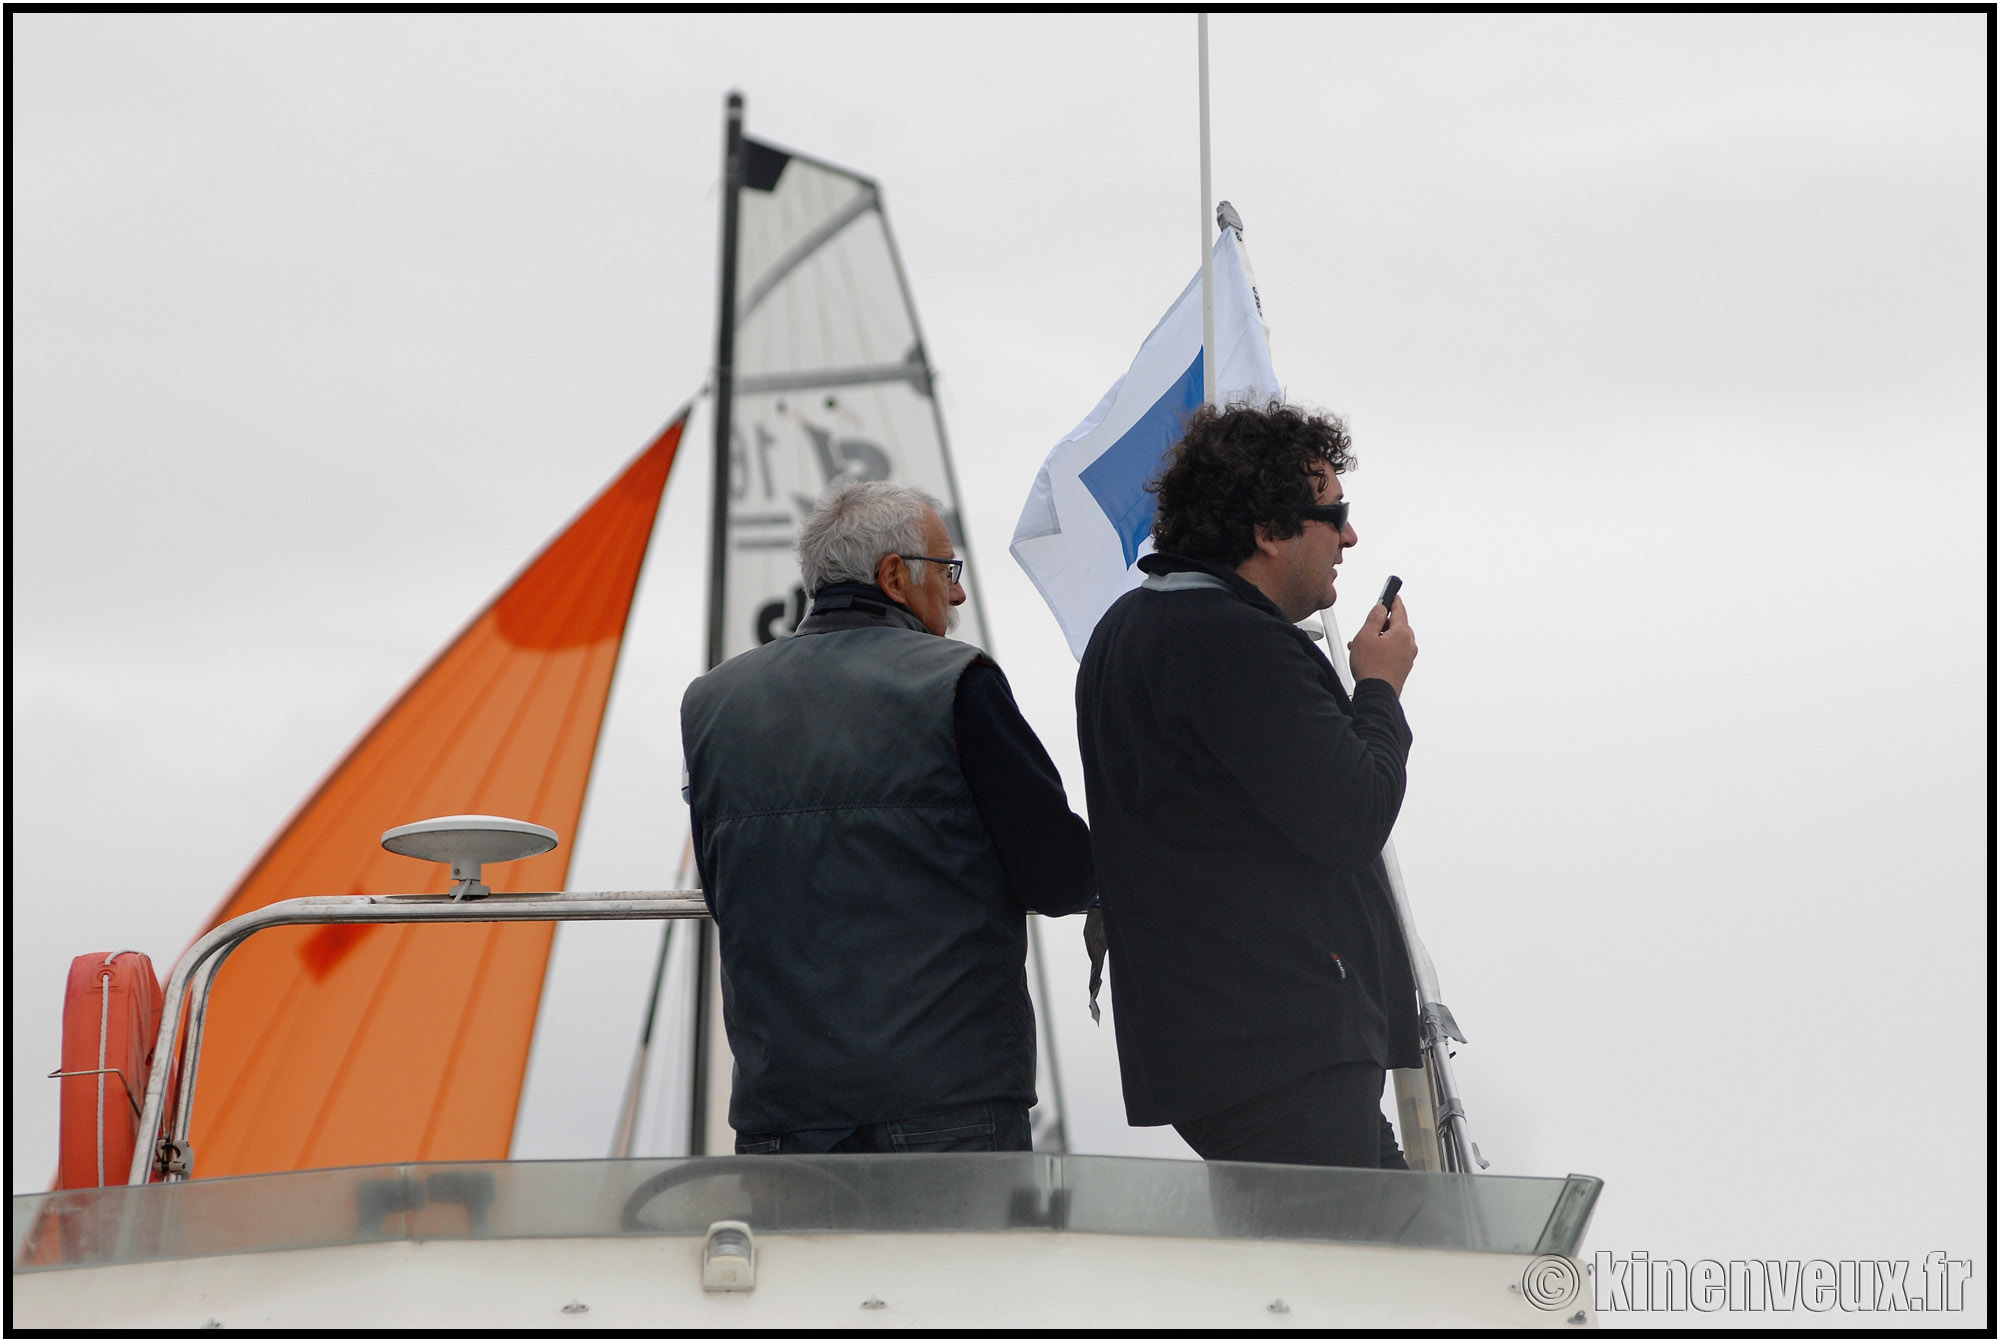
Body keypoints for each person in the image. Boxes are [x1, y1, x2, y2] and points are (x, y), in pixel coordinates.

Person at [681, 480, 1094, 1155]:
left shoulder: (710, 704)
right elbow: (1057, 876)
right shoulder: (958, 680)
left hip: (782, 1109)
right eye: (947, 569)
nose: (957, 594)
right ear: (895, 576)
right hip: (949, 1099)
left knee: (808, 1267)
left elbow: (724, 886)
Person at [1075, 401, 1421, 1169]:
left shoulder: (1124, 629)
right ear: (1267, 532)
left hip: (1207, 1054)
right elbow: (1353, 815)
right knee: (1369, 1275)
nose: (1350, 537)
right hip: (1286, 1044)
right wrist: (1378, 689)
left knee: (1307, 1278)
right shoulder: (1234, 641)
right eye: (1334, 514)